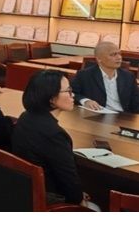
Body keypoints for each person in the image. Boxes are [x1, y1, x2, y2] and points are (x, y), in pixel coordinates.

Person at [12, 70, 90, 206]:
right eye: (68, 91)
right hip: (48, 199)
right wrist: (79, 199)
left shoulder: (26, 116)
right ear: (52, 98)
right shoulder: (54, 134)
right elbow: (68, 181)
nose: (73, 95)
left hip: (26, 191)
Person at [71, 41, 139, 113]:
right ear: (99, 59)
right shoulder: (84, 75)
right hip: (97, 114)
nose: (119, 57)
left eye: (119, 54)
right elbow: (72, 93)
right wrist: (86, 101)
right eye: (113, 55)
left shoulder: (128, 76)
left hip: (123, 116)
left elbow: (136, 102)